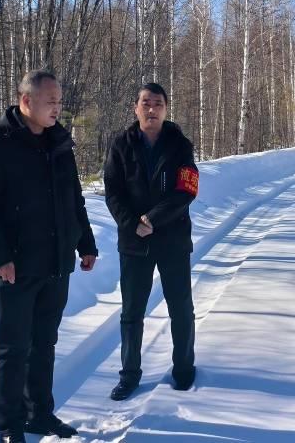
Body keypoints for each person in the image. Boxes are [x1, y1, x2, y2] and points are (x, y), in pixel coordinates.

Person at [0, 70, 98, 442]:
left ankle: (39, 414)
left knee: (44, 344)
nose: (57, 107)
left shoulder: (59, 143)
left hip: (55, 261)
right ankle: (11, 425)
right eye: (50, 101)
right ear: (26, 101)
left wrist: (85, 243)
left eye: (59, 101)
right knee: (13, 347)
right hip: (15, 265)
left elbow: (74, 198)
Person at [103, 82, 199, 401]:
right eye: (146, 103)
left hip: (173, 239)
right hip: (134, 242)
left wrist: (153, 219)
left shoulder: (180, 145)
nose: (151, 109)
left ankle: (183, 368)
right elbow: (113, 191)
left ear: (166, 109)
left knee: (181, 308)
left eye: (158, 103)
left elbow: (187, 189)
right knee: (132, 312)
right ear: (136, 108)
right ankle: (129, 375)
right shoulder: (121, 145)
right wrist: (133, 224)